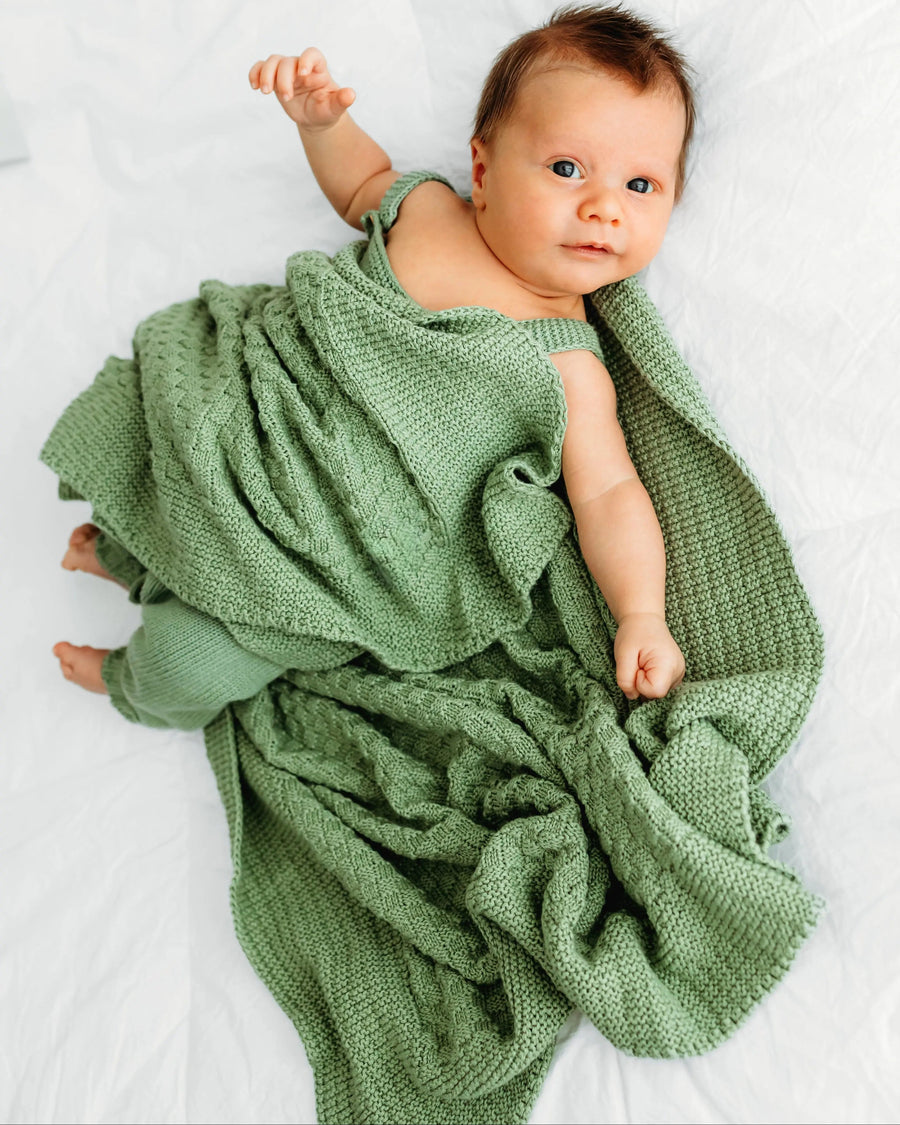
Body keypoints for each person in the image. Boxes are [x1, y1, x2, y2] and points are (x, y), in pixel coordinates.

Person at [51, 2, 690, 723]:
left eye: (641, 186)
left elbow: (608, 493)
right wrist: (322, 126)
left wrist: (641, 612)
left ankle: (124, 679)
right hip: (261, 435)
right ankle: (127, 554)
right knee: (154, 462)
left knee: (188, 662)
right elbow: (362, 184)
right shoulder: (428, 209)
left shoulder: (572, 367)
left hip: (321, 559)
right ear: (483, 170)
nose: (605, 207)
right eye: (568, 168)